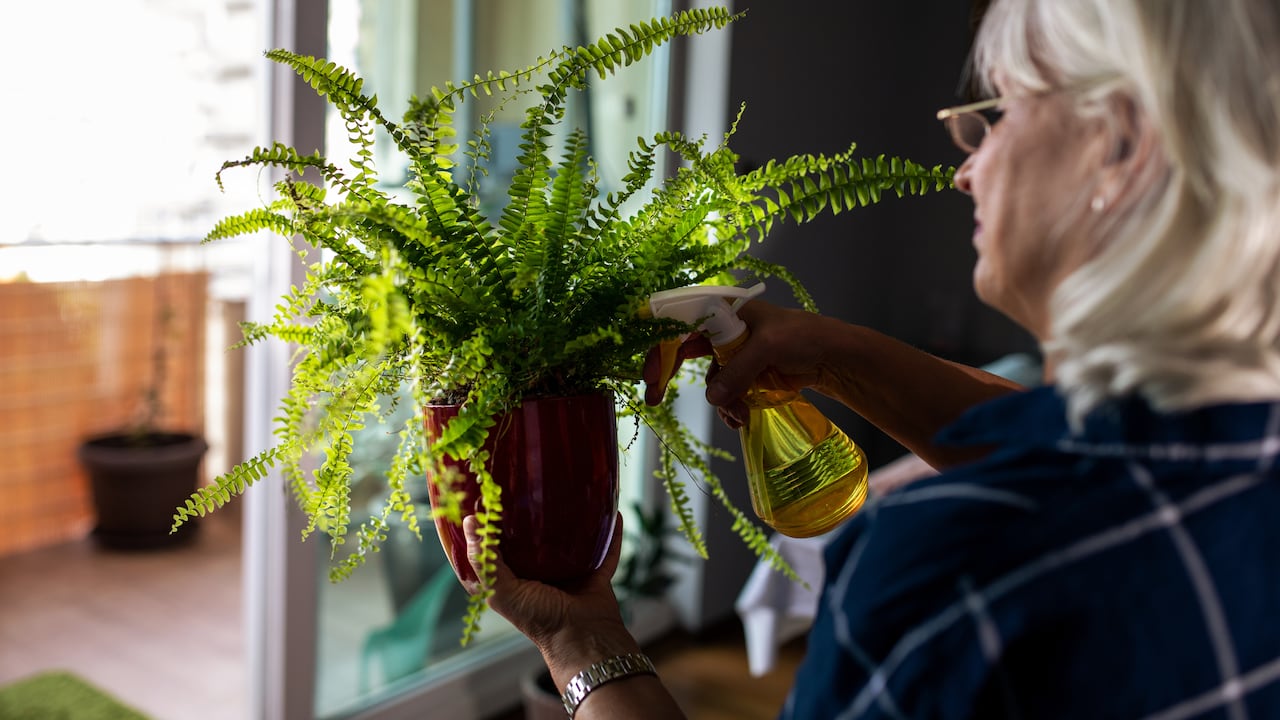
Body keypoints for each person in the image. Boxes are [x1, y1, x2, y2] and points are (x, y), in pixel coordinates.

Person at [461, 0, 1280, 716]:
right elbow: (1078, 449)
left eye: (994, 116)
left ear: (1121, 143)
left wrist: (580, 644)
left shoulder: (955, 566)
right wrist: (839, 354)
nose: (966, 169)